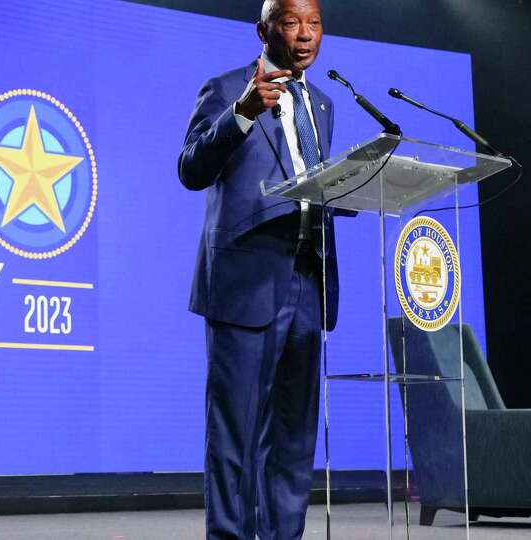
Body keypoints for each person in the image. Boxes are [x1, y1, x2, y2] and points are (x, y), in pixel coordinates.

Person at [177, 1, 342, 538]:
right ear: (264, 29)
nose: (305, 36)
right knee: (236, 438)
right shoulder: (226, 89)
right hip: (246, 284)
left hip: (306, 281)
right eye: (291, 23)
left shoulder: (322, 104)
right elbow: (191, 168)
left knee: (294, 438)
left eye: (314, 24)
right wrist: (244, 112)